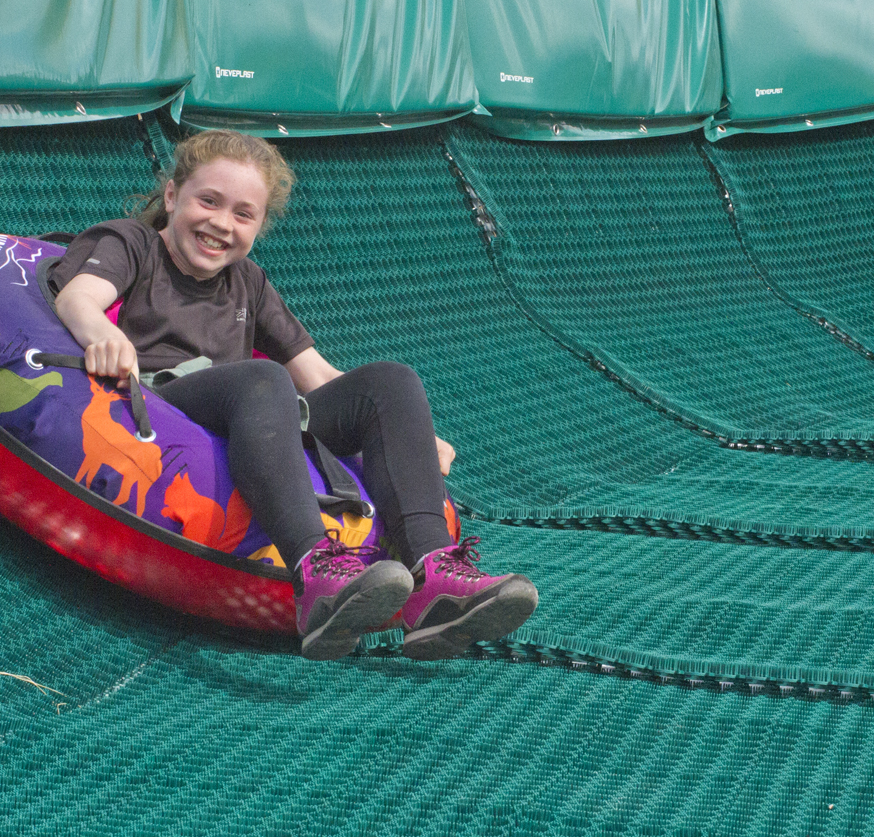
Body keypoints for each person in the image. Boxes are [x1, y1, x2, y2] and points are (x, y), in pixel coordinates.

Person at [51, 129, 537, 660]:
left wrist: (410, 430)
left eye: (243, 214)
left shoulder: (249, 283)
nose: (220, 224)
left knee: (390, 381)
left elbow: (319, 376)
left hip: (254, 413)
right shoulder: (131, 243)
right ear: (172, 197)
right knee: (263, 378)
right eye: (207, 201)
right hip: (165, 403)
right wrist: (104, 335)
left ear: (259, 226)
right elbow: (79, 298)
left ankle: (437, 578)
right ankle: (318, 578)